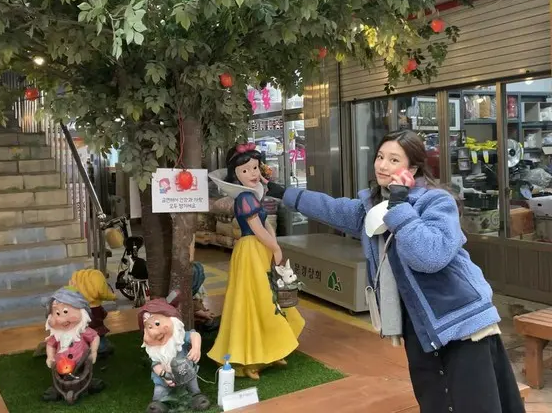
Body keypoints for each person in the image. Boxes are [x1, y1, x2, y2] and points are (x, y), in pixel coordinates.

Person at [265, 129, 524, 413]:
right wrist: (284, 193)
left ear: (412, 168)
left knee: (476, 403)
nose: (383, 166)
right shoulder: (373, 208)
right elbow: (331, 208)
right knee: (435, 399)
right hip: (419, 324)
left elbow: (429, 256)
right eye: (379, 157)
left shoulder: (435, 202)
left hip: (461, 320)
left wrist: (401, 206)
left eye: (393, 160)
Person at [207, 143, 305, 380]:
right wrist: (275, 247)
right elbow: (256, 228)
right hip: (251, 250)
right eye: (245, 170)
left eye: (254, 168)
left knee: (267, 298)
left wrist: (274, 245)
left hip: (258, 250)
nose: (252, 174)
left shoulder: (252, 197)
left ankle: (272, 350)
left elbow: (266, 224)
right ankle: (251, 359)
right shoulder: (244, 200)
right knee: (255, 300)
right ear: (236, 177)